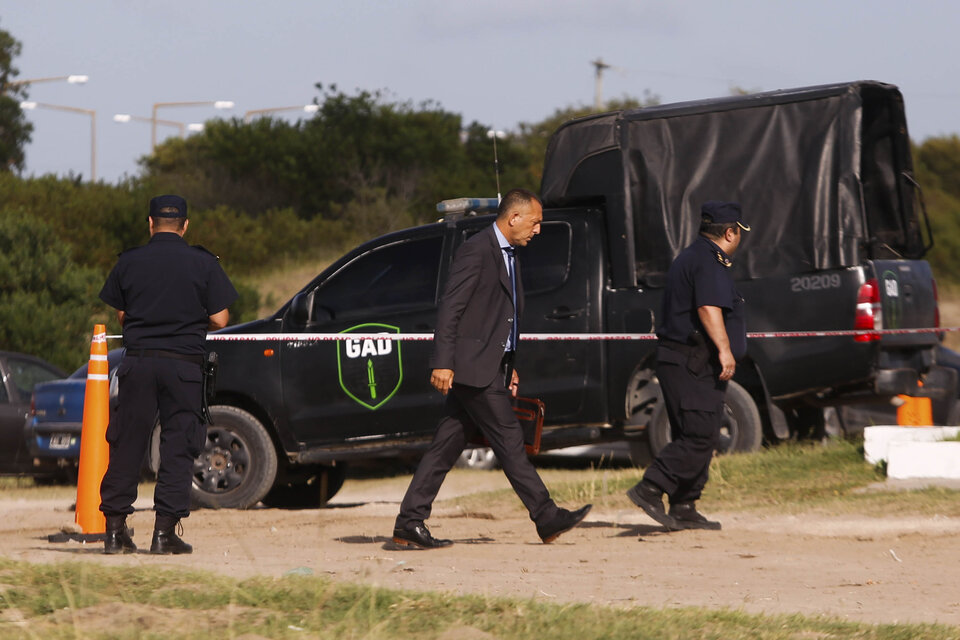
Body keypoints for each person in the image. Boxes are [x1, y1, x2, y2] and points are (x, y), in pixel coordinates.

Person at [392, 188, 592, 549]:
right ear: (514, 218)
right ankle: (546, 516)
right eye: (535, 222)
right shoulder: (477, 250)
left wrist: (507, 362)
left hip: (488, 364)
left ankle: (409, 522)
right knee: (510, 440)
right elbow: (451, 308)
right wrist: (442, 362)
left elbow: (502, 316)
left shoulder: (510, 254)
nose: (538, 230)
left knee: (445, 447)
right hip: (471, 369)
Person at [98, 195, 238, 555]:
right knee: (178, 446)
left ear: (150, 223)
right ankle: (164, 535)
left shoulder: (129, 261)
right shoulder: (203, 262)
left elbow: (122, 316)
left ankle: (114, 532)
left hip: (139, 362)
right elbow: (221, 319)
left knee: (127, 443)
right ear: (185, 225)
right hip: (183, 367)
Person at [626, 200, 750, 531]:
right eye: (738, 232)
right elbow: (709, 307)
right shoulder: (708, 261)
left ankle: (684, 504)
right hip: (691, 359)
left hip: (684, 359)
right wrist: (725, 350)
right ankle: (651, 487)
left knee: (694, 431)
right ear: (729, 232)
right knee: (700, 434)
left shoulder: (695, 257)